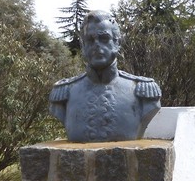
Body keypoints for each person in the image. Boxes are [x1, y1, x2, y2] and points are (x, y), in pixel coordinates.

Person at [49, 11, 161, 142]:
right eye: (90, 40)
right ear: (83, 46)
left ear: (117, 43)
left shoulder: (142, 91)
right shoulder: (64, 92)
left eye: (104, 39)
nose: (97, 45)